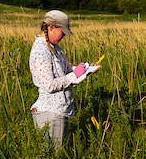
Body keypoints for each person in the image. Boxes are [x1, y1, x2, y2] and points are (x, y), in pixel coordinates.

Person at [28, 9, 98, 145]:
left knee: (58, 153)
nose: (64, 37)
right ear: (51, 27)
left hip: (60, 110)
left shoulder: (54, 47)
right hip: (50, 113)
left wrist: (83, 70)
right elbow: (49, 85)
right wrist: (74, 75)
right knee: (53, 156)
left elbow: (65, 69)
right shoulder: (41, 51)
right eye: (63, 32)